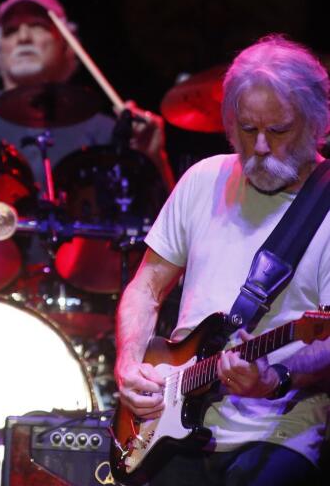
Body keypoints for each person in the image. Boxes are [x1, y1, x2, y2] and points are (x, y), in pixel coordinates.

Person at [114, 35, 330, 485]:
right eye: (248, 131)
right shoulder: (203, 179)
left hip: (277, 433)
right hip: (169, 426)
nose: (263, 147)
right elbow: (146, 287)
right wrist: (128, 363)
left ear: (316, 124)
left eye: (279, 129)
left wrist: (278, 377)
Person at [0, 0, 174, 193]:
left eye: (38, 26)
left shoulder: (107, 132)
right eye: (10, 31)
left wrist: (153, 159)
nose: (24, 37)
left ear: (67, 44)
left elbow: (166, 230)